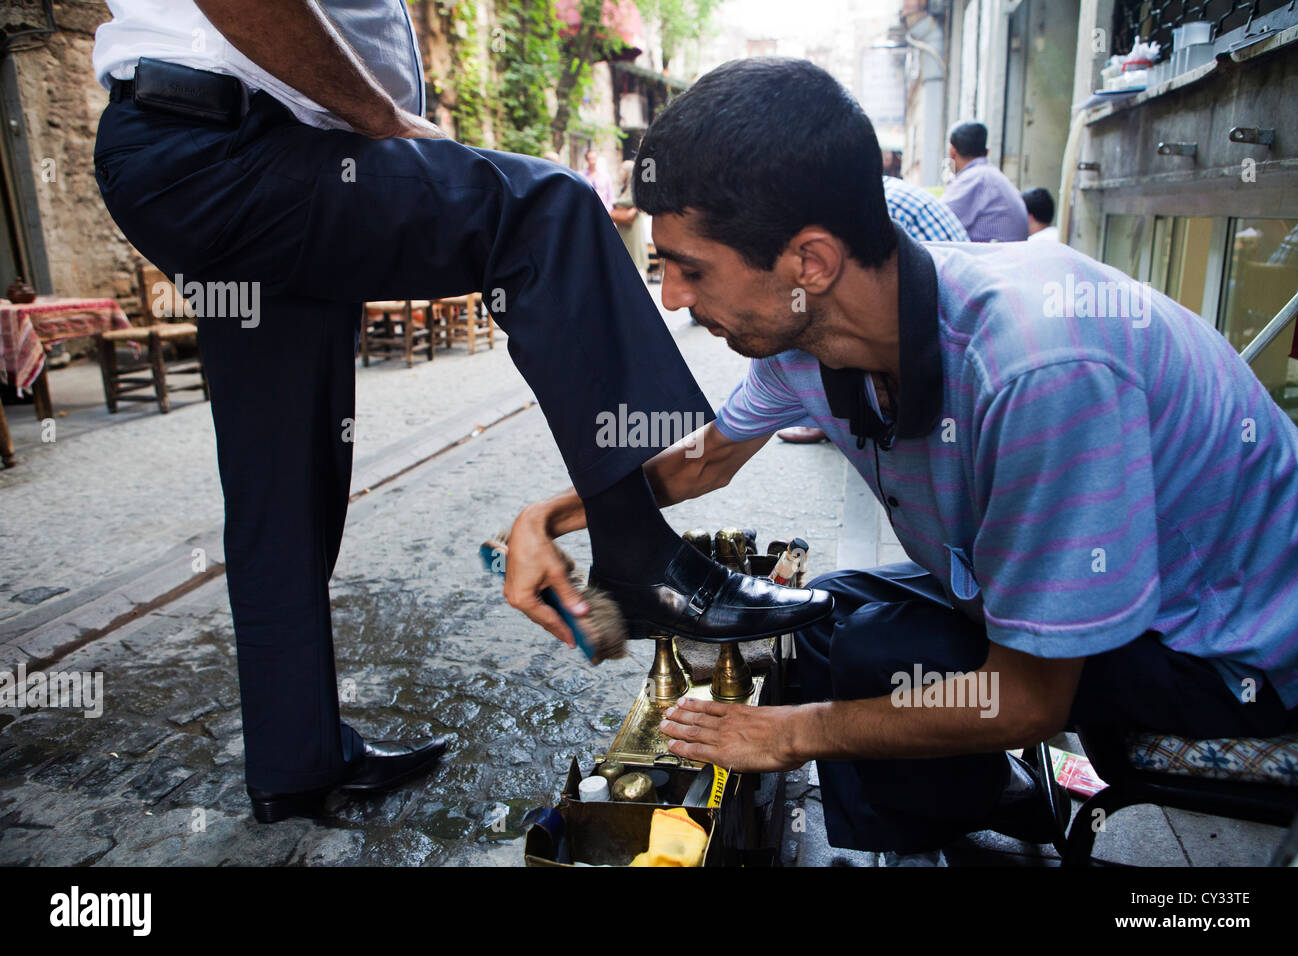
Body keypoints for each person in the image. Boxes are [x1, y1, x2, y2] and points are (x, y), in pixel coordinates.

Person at [507, 58, 1298, 864]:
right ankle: (982, 799)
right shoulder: (807, 335)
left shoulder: (1038, 374)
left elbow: (1026, 698)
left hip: (1226, 654)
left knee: (884, 655)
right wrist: (546, 518)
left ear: (808, 263)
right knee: (819, 614)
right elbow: (702, 463)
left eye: (692, 268)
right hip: (1111, 594)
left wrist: (787, 737)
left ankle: (956, 824)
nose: (671, 296)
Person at [91, 3, 831, 824]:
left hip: (200, 163)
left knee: (281, 486)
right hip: (233, 150)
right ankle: (640, 557)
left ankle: (293, 757)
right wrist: (379, 118)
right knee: (548, 210)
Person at [777, 175, 968, 445]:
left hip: (936, 309)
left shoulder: (866, 209)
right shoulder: (876, 191)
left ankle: (831, 419)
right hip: (946, 288)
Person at [941, 121, 1029, 242]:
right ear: (987, 152)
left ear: (952, 151)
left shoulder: (974, 178)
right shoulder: (992, 176)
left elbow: (936, 222)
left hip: (992, 258)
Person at [611, 159, 649, 276]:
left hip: (632, 227)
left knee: (635, 256)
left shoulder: (634, 186)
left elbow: (631, 200)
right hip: (623, 228)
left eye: (622, 170)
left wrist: (617, 202)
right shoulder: (623, 187)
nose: (620, 172)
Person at [582, 148, 614, 212]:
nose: (592, 161)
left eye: (594, 158)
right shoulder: (581, 176)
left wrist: (608, 210)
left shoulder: (605, 176)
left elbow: (610, 195)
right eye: (590, 159)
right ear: (586, 160)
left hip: (603, 210)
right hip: (587, 210)